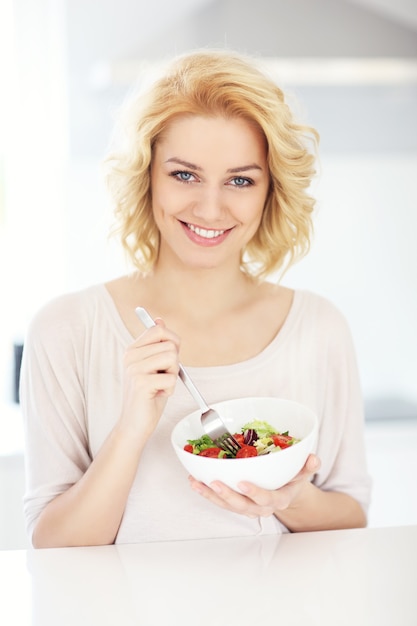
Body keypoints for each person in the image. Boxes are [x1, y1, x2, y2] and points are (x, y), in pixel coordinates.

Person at [20, 49, 371, 548]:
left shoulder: (318, 327)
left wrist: (286, 498)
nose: (210, 207)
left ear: (272, 191)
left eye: (241, 180)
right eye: (184, 174)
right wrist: (132, 428)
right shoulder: (65, 331)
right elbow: (52, 545)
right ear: (146, 178)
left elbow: (351, 515)